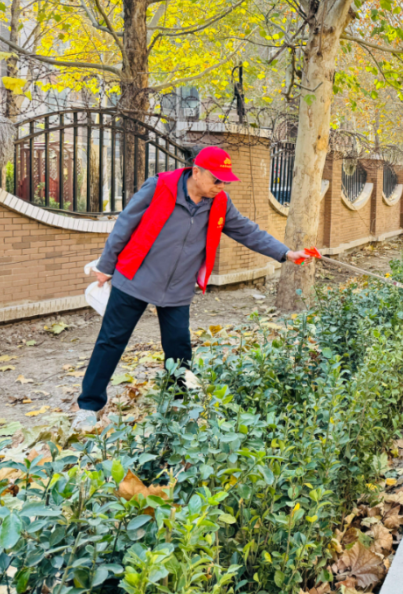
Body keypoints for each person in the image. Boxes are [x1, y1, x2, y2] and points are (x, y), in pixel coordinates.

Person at [72, 146, 308, 431]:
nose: (221, 186)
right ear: (196, 172)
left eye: (225, 181)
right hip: (135, 277)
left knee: (179, 349)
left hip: (177, 288)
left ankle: (179, 405)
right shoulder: (159, 187)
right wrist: (106, 266)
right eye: (216, 179)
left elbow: (247, 231)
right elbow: (125, 224)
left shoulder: (219, 202)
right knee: (111, 341)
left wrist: (285, 253)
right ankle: (89, 406)